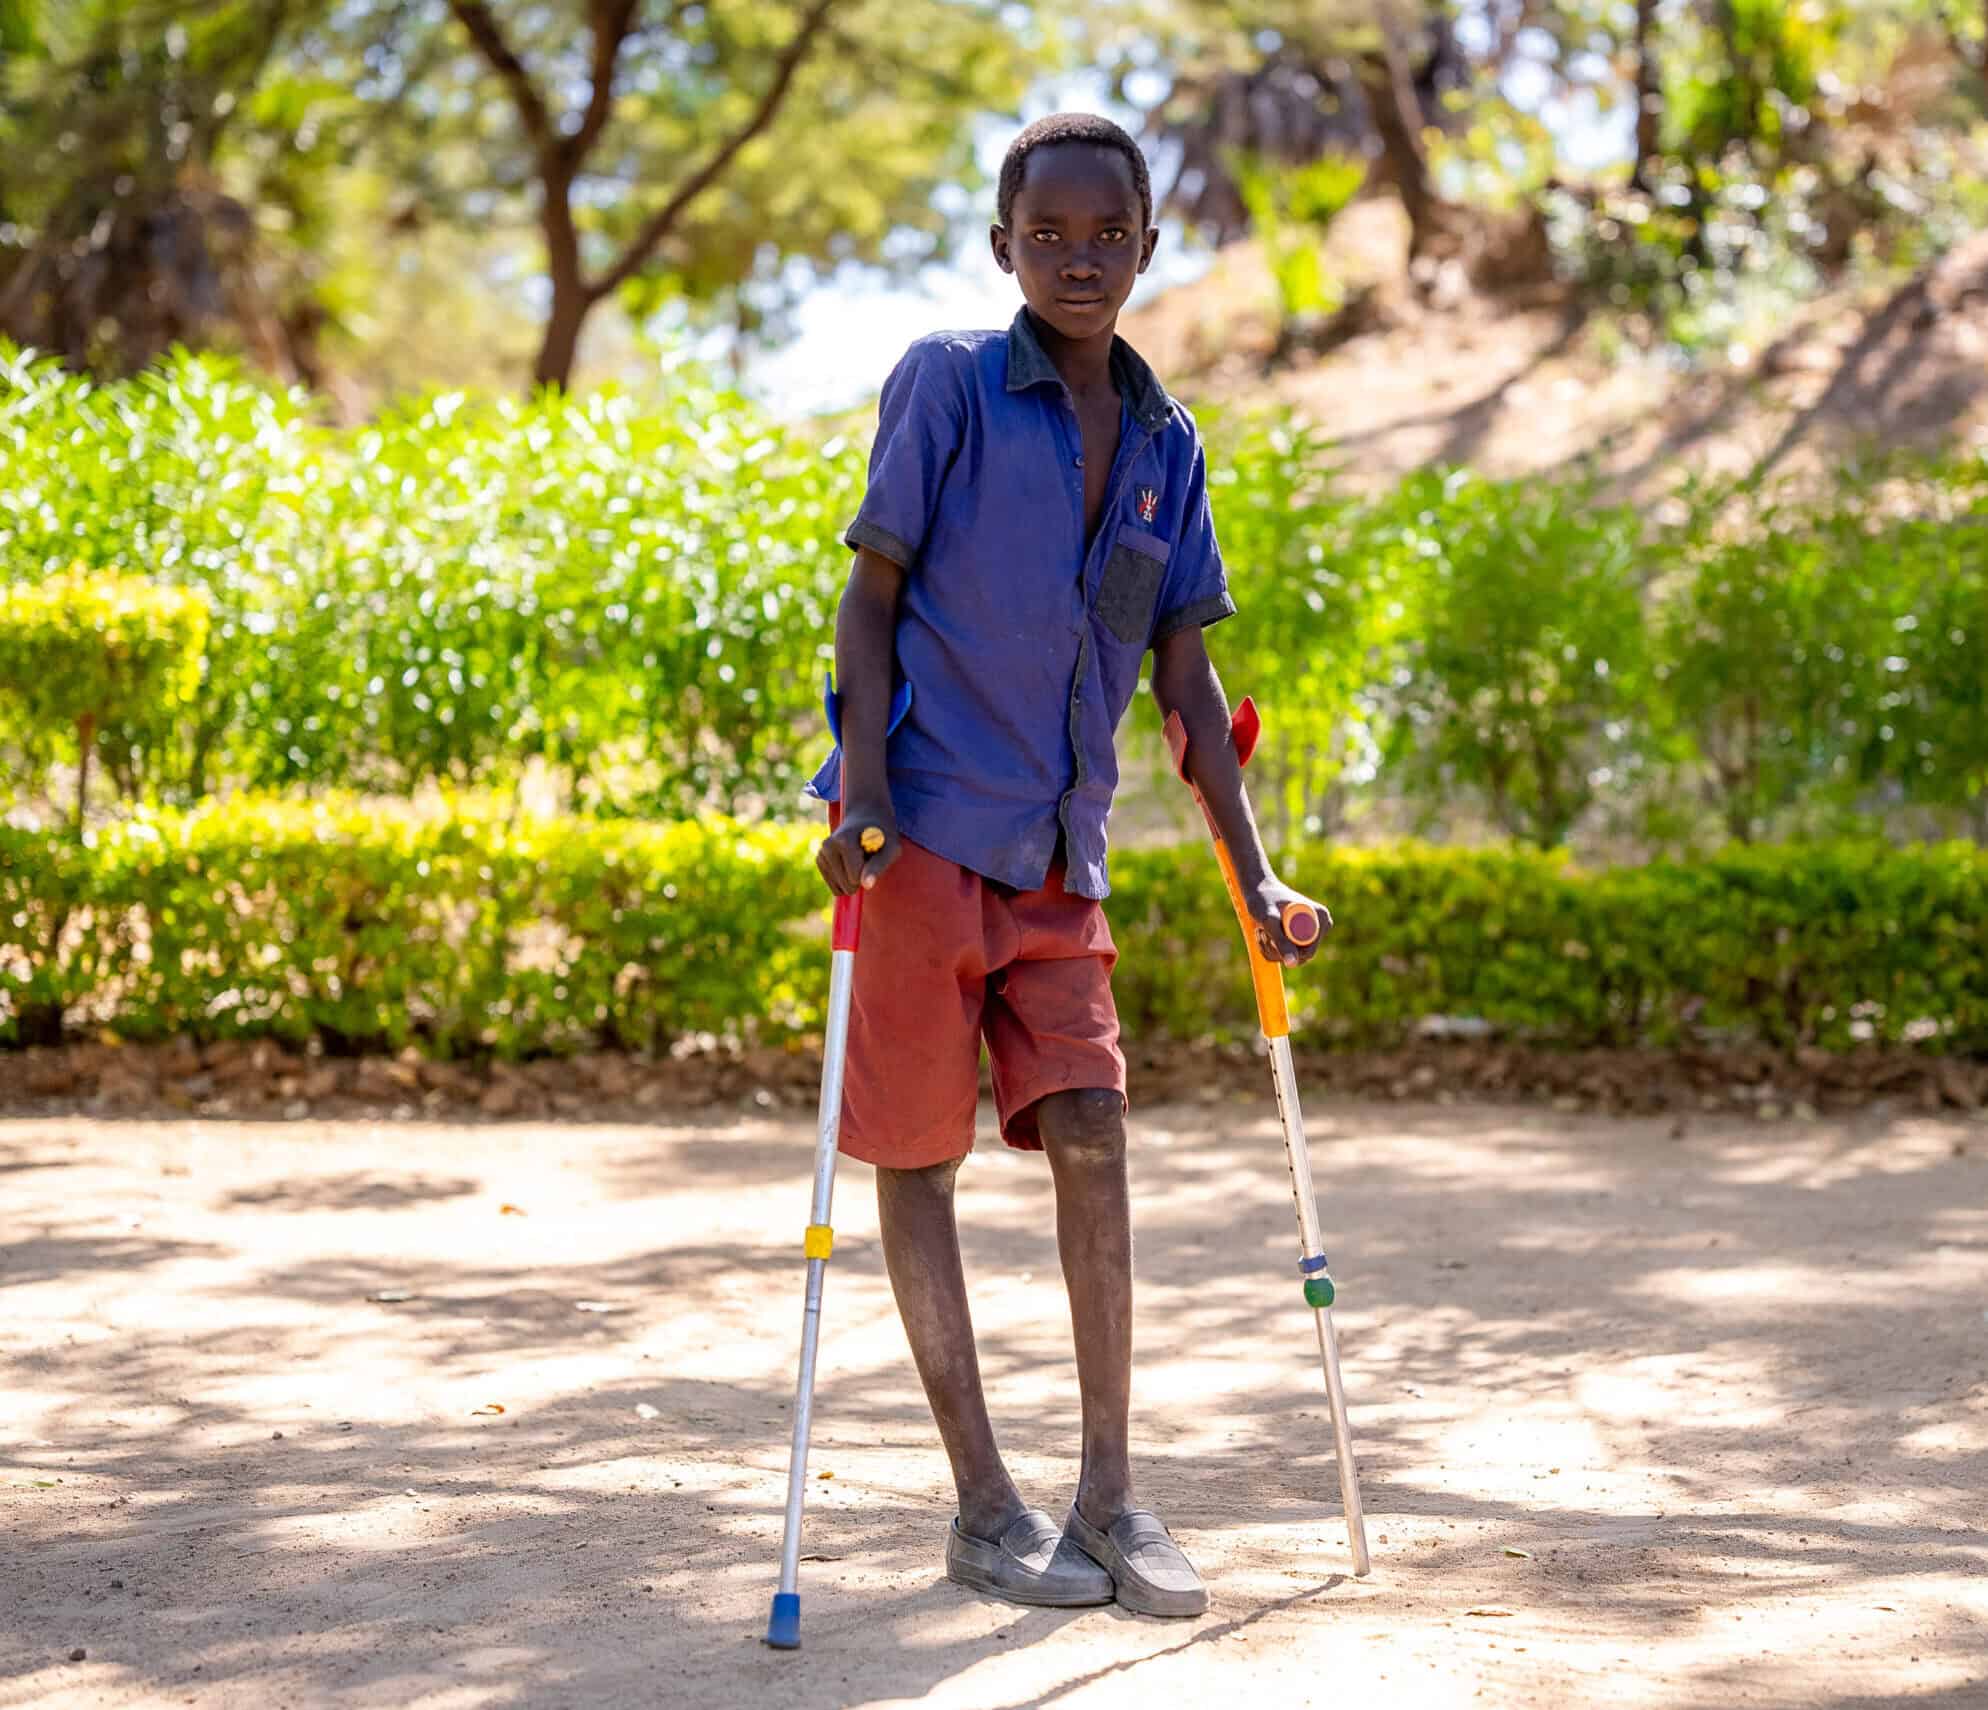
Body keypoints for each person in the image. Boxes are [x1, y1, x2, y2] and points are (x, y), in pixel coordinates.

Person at [807, 112, 1327, 1620]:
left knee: (1095, 1129)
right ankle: (985, 1500)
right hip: (915, 840)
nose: (1080, 259)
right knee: (920, 1156)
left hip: (1060, 857)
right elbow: (870, 603)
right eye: (1050, 236)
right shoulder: (947, 386)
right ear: (1003, 249)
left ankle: (1111, 1496)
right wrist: (867, 795)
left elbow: (1188, 692)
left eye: (1109, 236)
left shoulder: (1170, 446)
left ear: (1152, 247)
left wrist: (1258, 880)